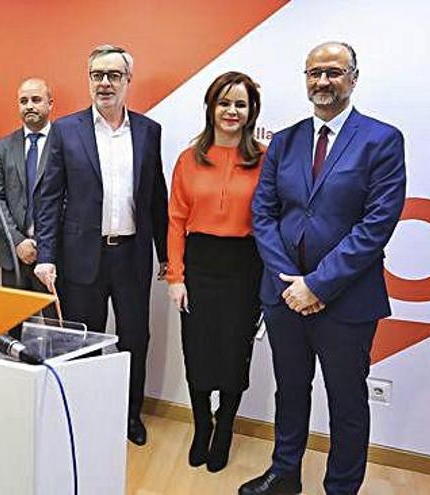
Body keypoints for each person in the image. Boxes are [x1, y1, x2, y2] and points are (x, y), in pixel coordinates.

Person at [240, 42, 406, 495]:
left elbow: (377, 224)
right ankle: (284, 472)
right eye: (314, 72)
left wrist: (318, 284)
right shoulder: (286, 140)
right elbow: (264, 214)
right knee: (290, 390)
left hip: (347, 300)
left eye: (333, 72)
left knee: (347, 400)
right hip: (283, 297)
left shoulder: (382, 139)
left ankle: (341, 487)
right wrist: (289, 281)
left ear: (353, 77)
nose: (322, 82)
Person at [34, 45, 169, 446]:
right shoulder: (65, 129)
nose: (104, 83)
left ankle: (130, 415)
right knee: (83, 340)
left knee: (134, 339)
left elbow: (155, 196)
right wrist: (46, 255)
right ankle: (86, 414)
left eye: (113, 75)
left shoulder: (149, 131)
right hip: (81, 258)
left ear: (128, 80)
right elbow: (48, 197)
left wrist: (166, 255)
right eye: (97, 75)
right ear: (89, 79)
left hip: (131, 256)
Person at [167, 71, 265, 472]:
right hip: (200, 264)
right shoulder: (188, 159)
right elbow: (175, 220)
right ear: (211, 107)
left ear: (251, 111)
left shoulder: (264, 158)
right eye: (224, 102)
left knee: (234, 353)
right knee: (199, 352)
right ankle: (201, 425)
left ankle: (224, 427)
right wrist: (176, 277)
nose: (231, 111)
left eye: (240, 104)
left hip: (245, 266)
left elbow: (271, 220)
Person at [0, 78, 56, 315]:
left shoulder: (65, 142)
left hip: (53, 255)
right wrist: (18, 241)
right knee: (14, 329)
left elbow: (71, 198)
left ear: (50, 104)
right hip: (13, 255)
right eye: (23, 101)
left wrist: (42, 244)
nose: (30, 106)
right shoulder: (3, 147)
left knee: (55, 333)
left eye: (36, 100)